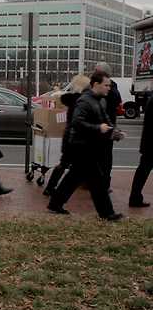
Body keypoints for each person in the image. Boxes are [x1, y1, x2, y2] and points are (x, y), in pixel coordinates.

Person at [48, 71, 124, 221]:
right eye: (106, 85)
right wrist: (98, 128)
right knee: (97, 181)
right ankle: (107, 213)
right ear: (95, 84)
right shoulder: (85, 100)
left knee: (74, 177)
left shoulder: (100, 100)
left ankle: (55, 203)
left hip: (88, 145)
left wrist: (114, 133)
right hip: (81, 145)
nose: (109, 88)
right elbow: (77, 122)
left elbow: (106, 121)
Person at [43, 74, 90, 196]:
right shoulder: (83, 100)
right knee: (80, 166)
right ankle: (57, 192)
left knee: (64, 163)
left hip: (68, 136)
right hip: (76, 137)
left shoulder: (70, 98)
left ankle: (50, 188)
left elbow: (63, 97)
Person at [94, 60, 121, 192]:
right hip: (98, 128)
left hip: (106, 128)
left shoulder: (111, 88)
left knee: (105, 158)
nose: (94, 73)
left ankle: (104, 184)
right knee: (97, 157)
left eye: (96, 71)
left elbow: (116, 101)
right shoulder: (95, 86)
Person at [129, 95, 152, 207]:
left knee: (142, 171)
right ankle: (135, 197)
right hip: (151, 143)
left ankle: (135, 197)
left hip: (149, 143)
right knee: (143, 172)